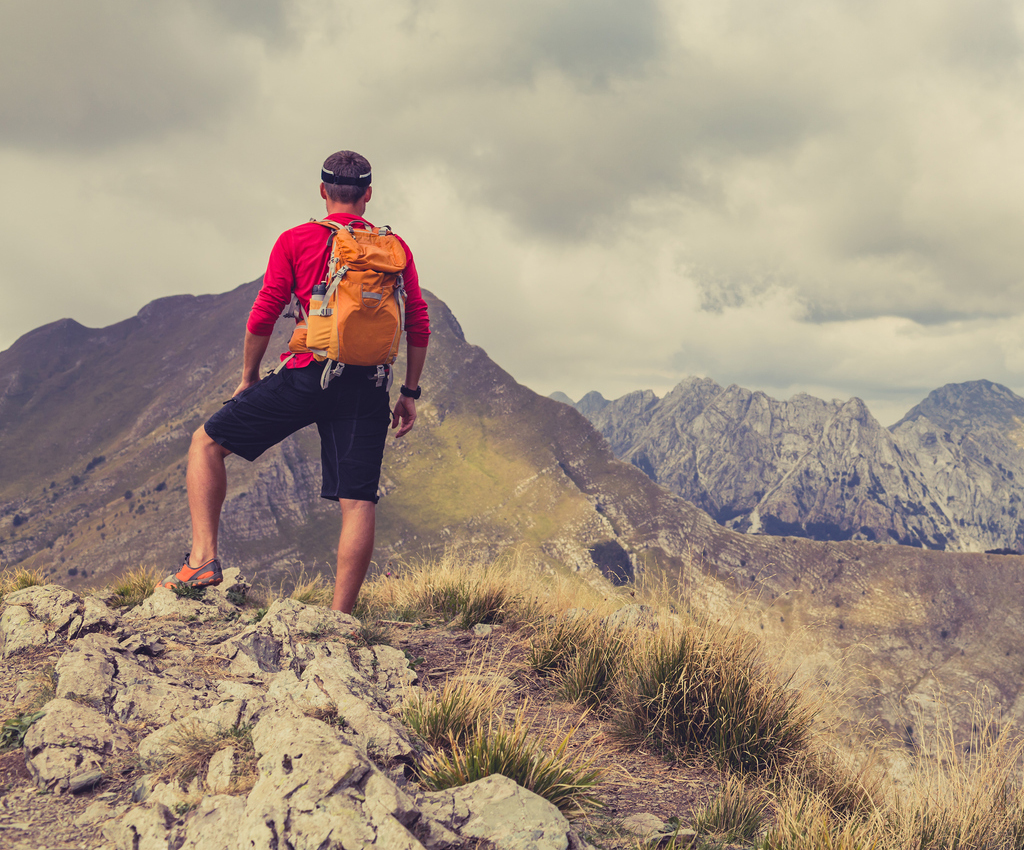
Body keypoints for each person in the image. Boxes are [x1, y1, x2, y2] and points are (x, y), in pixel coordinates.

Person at [163, 150, 429, 614]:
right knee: (358, 499)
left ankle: (202, 560)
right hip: (370, 384)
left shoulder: (297, 239)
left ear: (323, 192)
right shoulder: (393, 248)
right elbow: (419, 323)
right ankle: (339, 618)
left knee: (206, 444)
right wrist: (408, 393)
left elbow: (265, 310)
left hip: (308, 373)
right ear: (368, 195)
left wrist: (248, 377)